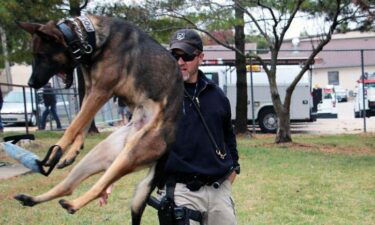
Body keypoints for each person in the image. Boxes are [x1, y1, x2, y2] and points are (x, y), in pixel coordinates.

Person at [154, 29, 240, 225]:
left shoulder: (217, 95)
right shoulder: (161, 96)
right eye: (174, 56)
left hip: (218, 191)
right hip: (182, 192)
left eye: (187, 56)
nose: (180, 62)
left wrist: (234, 167)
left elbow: (228, 136)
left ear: (201, 57)